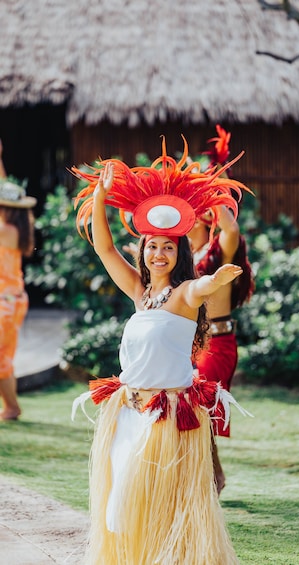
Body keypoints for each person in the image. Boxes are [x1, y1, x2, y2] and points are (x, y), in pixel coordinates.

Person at [72, 137, 252, 565]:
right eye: (152, 246)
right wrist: (99, 197)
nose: (158, 253)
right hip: (127, 411)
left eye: (168, 247)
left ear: (179, 253)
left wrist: (218, 279)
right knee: (119, 502)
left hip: (167, 418)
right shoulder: (139, 292)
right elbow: (104, 248)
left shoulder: (185, 294)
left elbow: (201, 286)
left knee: (153, 495)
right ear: (144, 251)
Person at [188, 126, 255, 494]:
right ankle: (211, 475)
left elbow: (230, 227)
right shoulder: (182, 257)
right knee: (192, 409)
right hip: (192, 342)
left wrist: (215, 188)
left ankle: (212, 476)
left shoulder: (219, 252)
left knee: (202, 410)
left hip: (218, 342)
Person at [0, 139, 37, 420]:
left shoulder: (4, 230)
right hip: (12, 300)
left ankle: (12, 407)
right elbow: (5, 189)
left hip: (5, 303)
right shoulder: (20, 228)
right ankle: (11, 408)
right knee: (4, 359)